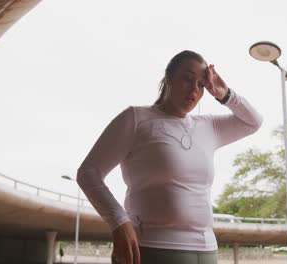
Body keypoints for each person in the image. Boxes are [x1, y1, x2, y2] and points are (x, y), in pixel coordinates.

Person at [77, 50, 263, 264]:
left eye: (202, 84)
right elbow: (88, 173)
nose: (194, 90)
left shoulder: (208, 126)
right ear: (169, 78)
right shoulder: (136, 119)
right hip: (152, 248)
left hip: (207, 251)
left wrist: (225, 94)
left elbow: (253, 122)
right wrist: (119, 221)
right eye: (187, 78)